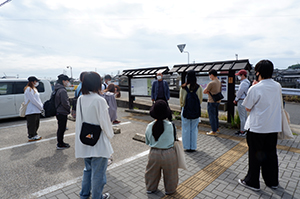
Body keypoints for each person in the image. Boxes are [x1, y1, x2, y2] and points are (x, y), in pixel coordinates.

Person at [238, 60, 281, 191]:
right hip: (273, 127)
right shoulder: (277, 86)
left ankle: (252, 182)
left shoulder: (255, 88)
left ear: (258, 72)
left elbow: (248, 108)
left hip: (257, 128)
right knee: (271, 155)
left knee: (255, 156)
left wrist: (254, 86)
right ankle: (272, 181)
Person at [75, 72, 113, 199]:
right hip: (99, 142)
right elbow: (105, 123)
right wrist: (110, 135)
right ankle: (98, 197)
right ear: (97, 83)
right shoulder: (100, 100)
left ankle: (84, 195)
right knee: (98, 174)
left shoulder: (81, 98)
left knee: (88, 170)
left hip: (85, 140)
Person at [145, 100, 178, 195]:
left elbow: (147, 141)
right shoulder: (171, 125)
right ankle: (170, 190)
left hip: (154, 153)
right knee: (171, 174)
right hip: (169, 153)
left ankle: (150, 188)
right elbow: (173, 140)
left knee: (151, 173)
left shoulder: (149, 126)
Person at [179, 70, 203, 152]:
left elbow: (181, 101)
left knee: (186, 128)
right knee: (194, 129)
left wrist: (183, 106)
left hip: (185, 110)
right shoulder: (199, 88)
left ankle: (186, 146)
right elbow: (200, 100)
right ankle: (193, 147)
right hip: (195, 111)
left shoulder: (183, 87)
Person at [24, 76, 44, 142]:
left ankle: (35, 134)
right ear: (32, 82)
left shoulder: (34, 89)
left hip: (36, 109)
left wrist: (41, 106)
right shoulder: (28, 89)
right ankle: (31, 135)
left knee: (36, 123)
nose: (36, 83)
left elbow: (38, 99)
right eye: (36, 81)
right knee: (32, 123)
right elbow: (33, 100)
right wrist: (40, 106)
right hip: (31, 110)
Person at [54, 74, 71, 150]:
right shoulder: (62, 90)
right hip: (62, 111)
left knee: (60, 128)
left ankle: (60, 142)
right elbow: (65, 103)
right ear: (63, 81)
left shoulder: (57, 88)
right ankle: (60, 143)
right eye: (67, 81)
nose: (68, 82)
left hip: (58, 111)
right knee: (62, 128)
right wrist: (68, 109)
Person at [203, 69, 222, 136]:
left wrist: (208, 91)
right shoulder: (219, 82)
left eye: (209, 75)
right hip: (217, 101)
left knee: (212, 116)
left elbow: (204, 91)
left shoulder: (211, 83)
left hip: (211, 101)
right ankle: (217, 128)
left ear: (212, 75)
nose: (209, 76)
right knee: (216, 116)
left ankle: (213, 131)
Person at [233, 69, 250, 136]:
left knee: (242, 116)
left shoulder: (244, 83)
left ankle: (242, 131)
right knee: (245, 116)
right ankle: (245, 129)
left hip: (241, 100)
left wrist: (236, 99)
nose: (238, 77)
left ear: (243, 75)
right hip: (245, 100)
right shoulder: (247, 82)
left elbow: (240, 92)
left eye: (239, 75)